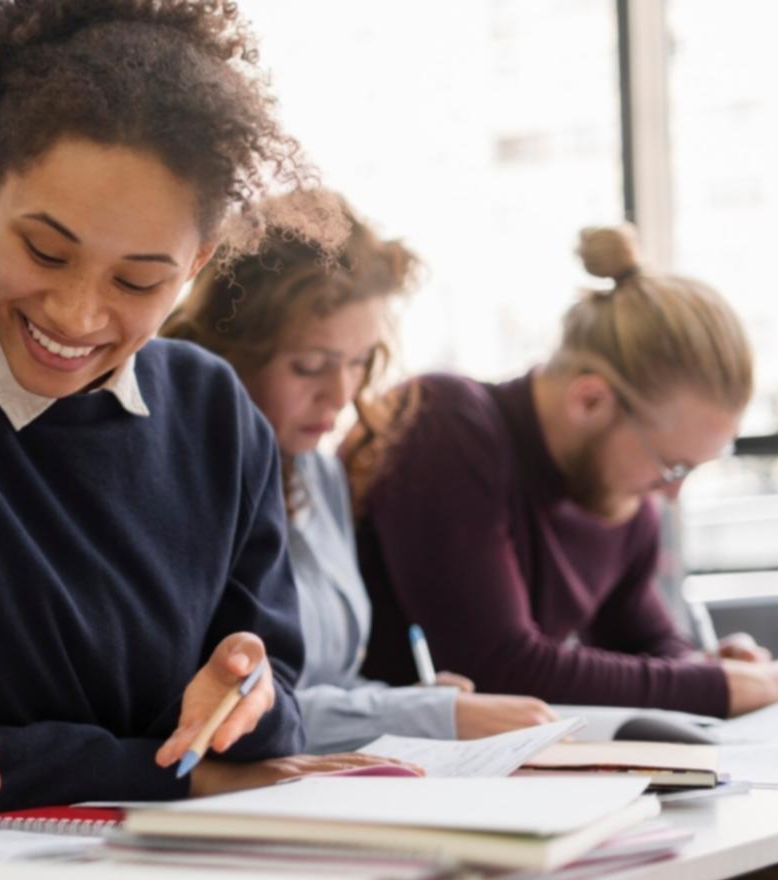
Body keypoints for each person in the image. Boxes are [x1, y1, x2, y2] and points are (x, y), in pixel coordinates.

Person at [0, 0, 390, 812]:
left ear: (198, 263)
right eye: (45, 250)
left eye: (138, 281)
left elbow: (274, 713)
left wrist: (244, 695)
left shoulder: (214, 413)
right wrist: (174, 775)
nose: (77, 315)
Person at [163, 195, 559, 753]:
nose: (341, 394)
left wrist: (412, 704)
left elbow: (328, 688)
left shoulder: (320, 479)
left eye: (359, 362)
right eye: (310, 366)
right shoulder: (177, 480)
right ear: (228, 351)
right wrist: (423, 713)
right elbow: (227, 707)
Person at [348, 224, 778, 716]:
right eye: (671, 465)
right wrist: (712, 687)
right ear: (590, 400)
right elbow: (499, 667)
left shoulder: (622, 496)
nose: (672, 492)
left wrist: (705, 666)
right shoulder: (443, 424)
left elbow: (648, 646)